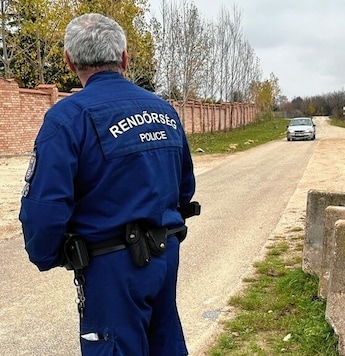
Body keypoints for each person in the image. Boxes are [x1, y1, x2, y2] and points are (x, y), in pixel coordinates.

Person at [19, 13, 197, 356]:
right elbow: (184, 188)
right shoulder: (163, 110)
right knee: (165, 344)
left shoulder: (67, 118)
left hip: (111, 269)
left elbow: (44, 207)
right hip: (164, 256)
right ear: (125, 58)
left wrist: (48, 254)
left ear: (70, 62)